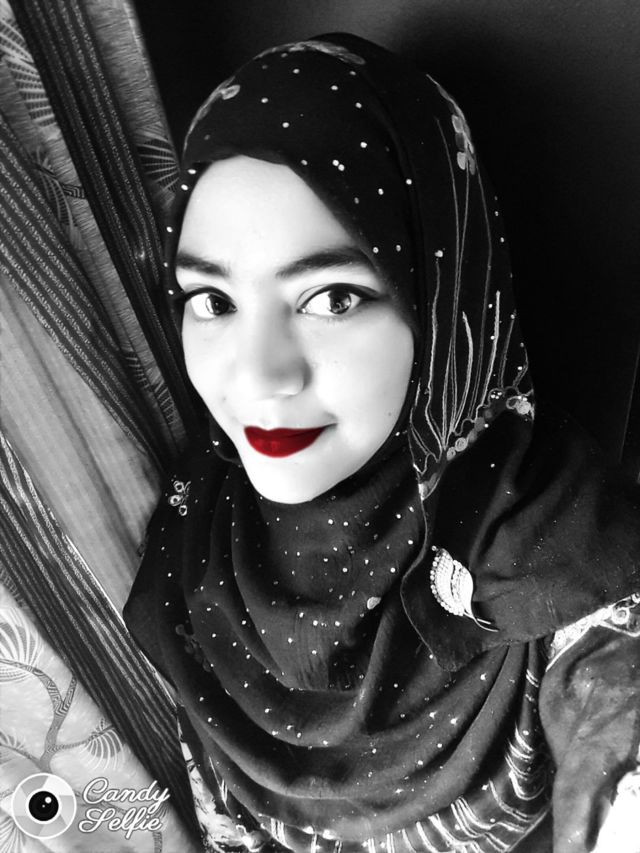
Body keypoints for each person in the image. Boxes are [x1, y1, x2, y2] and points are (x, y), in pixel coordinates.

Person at [124, 34, 640, 853]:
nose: (257, 376)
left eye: (332, 297)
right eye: (213, 301)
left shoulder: (552, 531)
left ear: (440, 299)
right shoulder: (199, 525)